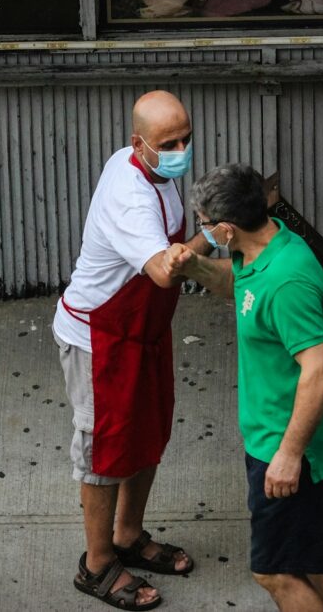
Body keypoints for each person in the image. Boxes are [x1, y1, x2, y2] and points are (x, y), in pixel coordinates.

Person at [52, 90, 211, 610]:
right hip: (100, 338)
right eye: (170, 143)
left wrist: (212, 229)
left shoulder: (153, 170)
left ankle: (128, 535)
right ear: (136, 144)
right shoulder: (131, 195)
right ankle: (97, 565)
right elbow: (165, 268)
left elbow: (172, 258)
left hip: (142, 332)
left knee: (147, 432)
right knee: (104, 451)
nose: (181, 150)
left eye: (187, 138)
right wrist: (216, 238)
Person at [163, 163, 323, 612]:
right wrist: (196, 266)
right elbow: (237, 285)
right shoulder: (262, 249)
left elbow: (320, 370)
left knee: (274, 571)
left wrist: (287, 456)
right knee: (306, 568)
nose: (203, 233)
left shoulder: (287, 281)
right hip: (278, 440)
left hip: (292, 452)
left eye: (205, 227)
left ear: (226, 228)